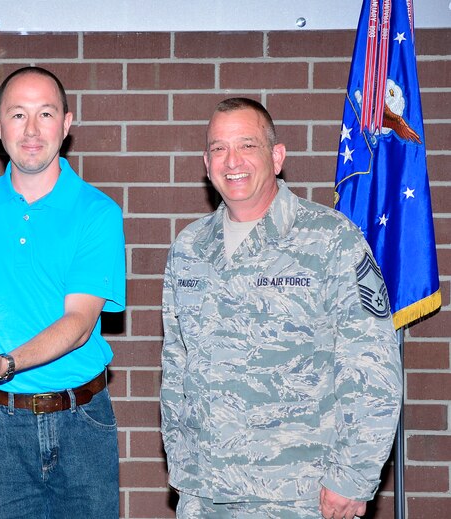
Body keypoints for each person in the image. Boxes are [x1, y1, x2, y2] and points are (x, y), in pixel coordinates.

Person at [160, 97, 402, 519]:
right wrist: (182, 464)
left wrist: (353, 477)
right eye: (219, 148)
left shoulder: (330, 240)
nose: (231, 160)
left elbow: (372, 369)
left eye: (247, 146)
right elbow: (177, 364)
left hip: (297, 496)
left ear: (276, 156)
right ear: (206, 161)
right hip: (205, 493)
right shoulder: (189, 247)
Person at [0, 66, 126, 518]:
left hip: (82, 424)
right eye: (17, 115)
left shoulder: (98, 214)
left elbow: (77, 325)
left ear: (66, 124)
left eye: (45, 114)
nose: (31, 130)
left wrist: (5, 364)